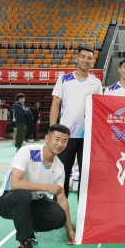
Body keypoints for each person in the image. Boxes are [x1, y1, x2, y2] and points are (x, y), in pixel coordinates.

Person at [0, 124, 76, 248]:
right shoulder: (27, 152)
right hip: (8, 200)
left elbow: (62, 200)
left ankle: (28, 230)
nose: (60, 144)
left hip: (34, 201)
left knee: (59, 218)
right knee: (23, 194)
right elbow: (15, 183)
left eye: (64, 141)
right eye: (57, 139)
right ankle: (24, 245)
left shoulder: (59, 167)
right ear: (47, 138)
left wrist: (69, 230)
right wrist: (46, 187)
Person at [51, 47, 104, 198]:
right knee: (62, 173)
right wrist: (52, 130)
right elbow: (55, 104)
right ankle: (58, 207)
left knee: (86, 174)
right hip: (65, 136)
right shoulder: (64, 79)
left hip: (87, 136)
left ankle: (83, 208)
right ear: (77, 58)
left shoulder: (96, 82)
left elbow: (100, 109)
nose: (86, 60)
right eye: (83, 57)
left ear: (92, 61)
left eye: (89, 58)